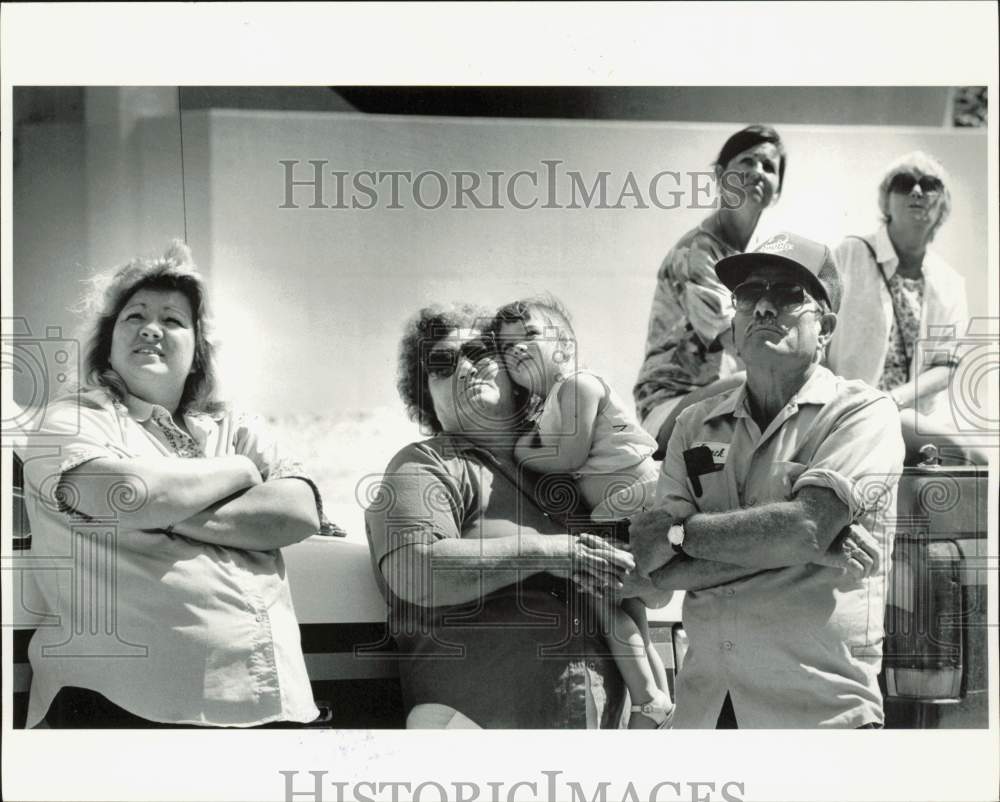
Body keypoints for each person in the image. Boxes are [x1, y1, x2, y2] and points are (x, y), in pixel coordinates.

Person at [19, 241, 329, 727]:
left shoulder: (236, 427)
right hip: (117, 709)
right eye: (134, 316)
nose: (151, 328)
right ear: (108, 342)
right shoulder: (72, 420)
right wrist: (240, 474)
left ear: (198, 350)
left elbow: (298, 511)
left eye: (173, 320)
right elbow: (128, 496)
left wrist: (165, 513)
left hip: (269, 706)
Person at [628, 231, 904, 728]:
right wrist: (788, 544)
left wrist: (685, 536)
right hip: (706, 714)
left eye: (789, 294)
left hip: (820, 717)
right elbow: (655, 567)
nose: (762, 307)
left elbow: (804, 530)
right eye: (750, 293)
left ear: (827, 328)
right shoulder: (694, 426)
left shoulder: (862, 413)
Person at [365, 304, 658, 729]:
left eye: (480, 352)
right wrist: (548, 552)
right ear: (426, 398)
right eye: (442, 364)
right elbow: (415, 570)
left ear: (513, 371)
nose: (465, 367)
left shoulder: (571, 474)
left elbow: (655, 594)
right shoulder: (425, 465)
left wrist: (634, 575)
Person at [493, 296, 672, 728]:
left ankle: (648, 699)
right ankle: (661, 701)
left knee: (602, 596)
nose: (518, 349)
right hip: (619, 511)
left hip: (636, 503)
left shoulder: (577, 384)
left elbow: (570, 455)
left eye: (530, 336)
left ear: (565, 346)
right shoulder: (552, 402)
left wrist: (519, 452)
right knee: (630, 611)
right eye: (507, 348)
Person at [634, 125, 786, 456]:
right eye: (747, 161)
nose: (757, 172)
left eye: (769, 167)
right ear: (720, 176)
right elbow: (742, 342)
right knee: (763, 386)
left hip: (725, 408)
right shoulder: (697, 253)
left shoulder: (760, 260)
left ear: (777, 192)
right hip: (668, 409)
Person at [828, 151, 978, 464]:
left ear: (943, 205)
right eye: (904, 182)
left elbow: (946, 365)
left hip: (915, 417)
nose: (917, 191)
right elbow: (817, 329)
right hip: (850, 411)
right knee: (963, 456)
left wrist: (895, 400)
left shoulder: (950, 282)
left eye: (930, 184)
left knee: (979, 461)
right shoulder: (851, 254)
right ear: (885, 200)